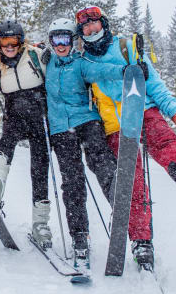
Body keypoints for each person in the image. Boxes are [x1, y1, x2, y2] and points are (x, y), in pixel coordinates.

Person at [75, 5, 176, 271]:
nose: (91, 29)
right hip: (115, 127)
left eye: (94, 24)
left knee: (165, 143)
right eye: (85, 27)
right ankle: (141, 241)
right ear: (81, 32)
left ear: (103, 24)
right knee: (133, 183)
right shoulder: (83, 62)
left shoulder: (126, 47)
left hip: (143, 110)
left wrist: (174, 112)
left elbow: (154, 83)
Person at [44, 18, 127, 267]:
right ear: (51, 41)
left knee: (100, 160)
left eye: (65, 39)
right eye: (56, 39)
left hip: (87, 121)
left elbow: (103, 71)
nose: (61, 44)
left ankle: (117, 200)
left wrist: (125, 71)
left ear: (73, 41)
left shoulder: (81, 64)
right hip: (60, 129)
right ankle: (79, 235)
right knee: (72, 181)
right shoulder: (45, 63)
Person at [0, 19, 52, 247]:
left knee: (40, 168)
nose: (10, 46)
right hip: (14, 116)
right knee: (4, 145)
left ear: (21, 41)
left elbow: (55, 74)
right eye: (5, 40)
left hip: (38, 118)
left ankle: (41, 223)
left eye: (13, 40)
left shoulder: (35, 56)